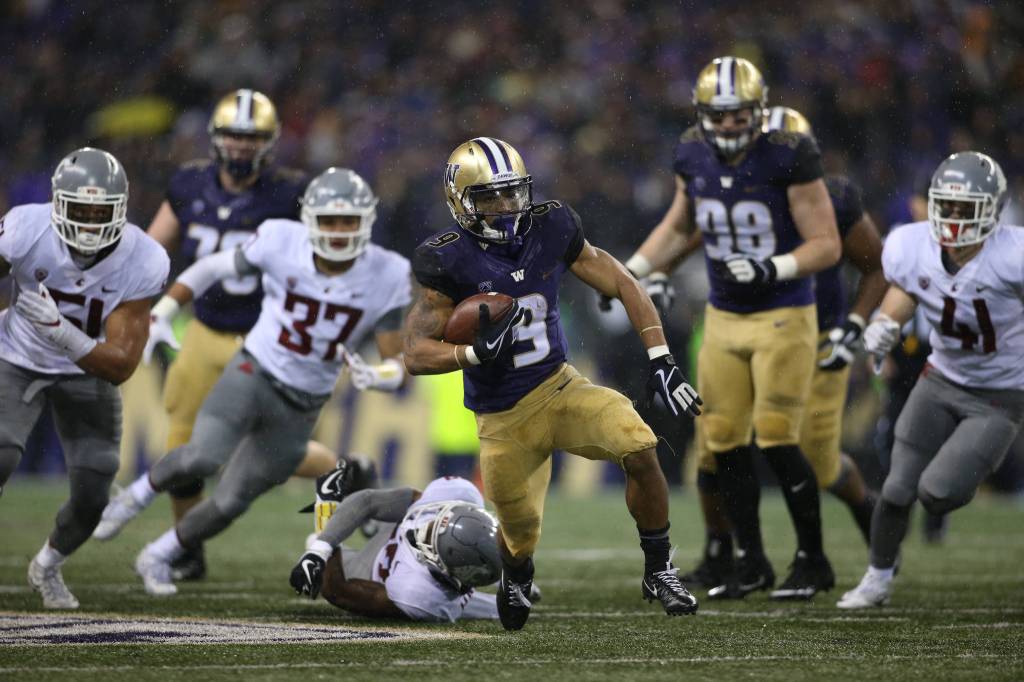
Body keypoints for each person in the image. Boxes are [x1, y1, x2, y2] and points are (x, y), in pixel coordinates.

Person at [402, 136, 702, 630]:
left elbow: (625, 282)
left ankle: (659, 569)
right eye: (490, 197)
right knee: (518, 537)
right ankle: (517, 574)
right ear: (461, 202)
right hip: (502, 417)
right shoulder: (447, 260)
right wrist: (471, 352)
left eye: (512, 192)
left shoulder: (552, 224)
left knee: (641, 446)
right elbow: (415, 352)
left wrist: (661, 357)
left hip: (561, 387)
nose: (505, 206)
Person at [91, 168, 412, 595]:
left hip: (304, 403)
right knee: (205, 456)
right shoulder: (281, 239)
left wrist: (379, 376)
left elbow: (397, 362)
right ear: (310, 220)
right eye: (330, 220)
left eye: (349, 220)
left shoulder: (387, 272)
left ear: (367, 222)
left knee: (231, 501)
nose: (338, 231)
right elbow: (210, 267)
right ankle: (132, 497)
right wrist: (165, 310)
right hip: (255, 369)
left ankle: (159, 553)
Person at [623, 58, 842, 600]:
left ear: (758, 110)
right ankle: (752, 561)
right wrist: (632, 273)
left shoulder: (789, 154)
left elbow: (826, 243)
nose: (725, 126)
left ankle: (813, 559)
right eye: (716, 116)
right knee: (720, 441)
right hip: (723, 316)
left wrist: (776, 267)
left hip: (783, 313)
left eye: (736, 114)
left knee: (776, 436)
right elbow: (680, 223)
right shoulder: (690, 152)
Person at [672, 108, 886, 588]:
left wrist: (855, 323)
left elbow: (876, 265)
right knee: (716, 441)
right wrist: (655, 268)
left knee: (815, 456)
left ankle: (867, 528)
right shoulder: (740, 189)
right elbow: (698, 228)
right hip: (742, 326)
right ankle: (726, 552)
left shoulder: (828, 195)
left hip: (816, 333)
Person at [143, 89, 333, 581]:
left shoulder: (290, 192)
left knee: (274, 451)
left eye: (252, 137)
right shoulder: (189, 183)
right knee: (183, 446)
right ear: (215, 138)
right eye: (233, 135)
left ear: (269, 143)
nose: (242, 146)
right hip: (203, 332)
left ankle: (343, 474)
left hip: (264, 338)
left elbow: (325, 259)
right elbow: (148, 251)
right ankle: (187, 550)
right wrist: (144, 306)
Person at [838, 151, 1024, 609]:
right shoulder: (910, 243)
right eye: (948, 205)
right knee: (897, 486)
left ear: (993, 209)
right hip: (940, 379)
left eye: (967, 208)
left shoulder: (1013, 254)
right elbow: (908, 285)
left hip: (998, 396)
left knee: (936, 494)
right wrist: (885, 323)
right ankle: (877, 579)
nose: (955, 217)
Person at [0, 148, 169, 608]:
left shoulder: (143, 258)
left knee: (95, 489)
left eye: (101, 212)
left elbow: (120, 366)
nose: (91, 223)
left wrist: (60, 329)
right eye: (80, 211)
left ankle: (48, 565)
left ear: (122, 208)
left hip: (86, 369)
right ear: (57, 204)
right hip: (16, 355)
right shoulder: (23, 228)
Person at [290, 475, 511, 622]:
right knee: (364, 476)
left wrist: (325, 521)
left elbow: (338, 591)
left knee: (316, 569)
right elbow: (368, 501)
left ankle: (336, 524)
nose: (424, 529)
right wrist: (321, 548)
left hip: (372, 571)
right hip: (395, 529)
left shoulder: (421, 595)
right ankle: (370, 523)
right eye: (436, 522)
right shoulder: (460, 493)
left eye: (431, 539)